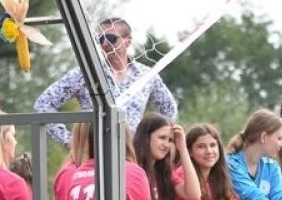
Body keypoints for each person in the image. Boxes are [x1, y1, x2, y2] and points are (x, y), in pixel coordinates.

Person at [35, 16, 178, 144]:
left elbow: (169, 108)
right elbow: (43, 104)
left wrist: (153, 141)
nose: (104, 44)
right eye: (100, 39)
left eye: (111, 38)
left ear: (128, 41)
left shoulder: (146, 75)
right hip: (95, 155)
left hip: (133, 156)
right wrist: (70, 141)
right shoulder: (86, 73)